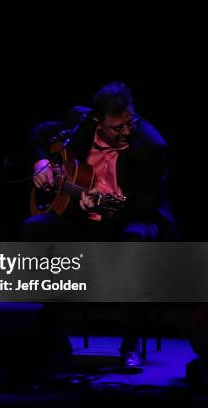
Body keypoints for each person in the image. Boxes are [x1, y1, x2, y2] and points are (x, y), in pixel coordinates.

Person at [21, 81, 175, 371]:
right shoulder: (80, 121)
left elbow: (144, 205)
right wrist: (40, 161)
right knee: (34, 229)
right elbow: (38, 132)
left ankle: (129, 345)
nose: (126, 131)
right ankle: (52, 336)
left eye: (130, 122)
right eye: (117, 127)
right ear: (97, 121)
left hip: (132, 219)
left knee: (134, 243)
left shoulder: (152, 146)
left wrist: (103, 207)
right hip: (83, 218)